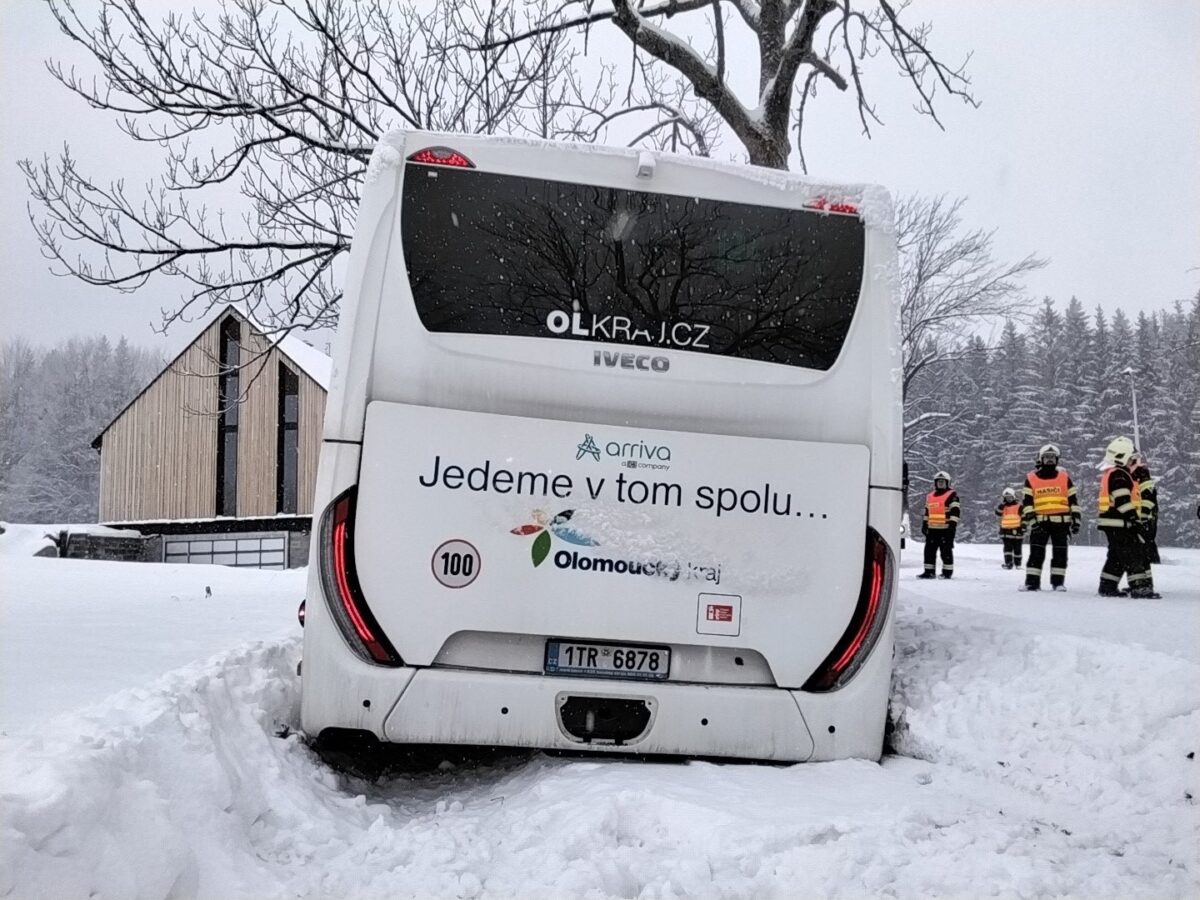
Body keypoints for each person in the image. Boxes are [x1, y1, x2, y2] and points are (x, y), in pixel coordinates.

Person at [1097, 436, 1160, 598]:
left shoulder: (1113, 473)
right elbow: (1122, 500)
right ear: (1122, 457)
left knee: (1116, 557)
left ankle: (1107, 586)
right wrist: (1134, 519)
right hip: (1121, 523)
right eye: (1131, 458)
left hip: (1113, 523)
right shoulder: (1120, 475)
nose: (1133, 462)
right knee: (1133, 554)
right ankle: (1139, 588)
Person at [1020, 443, 1081, 592]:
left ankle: (1058, 583)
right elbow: (1027, 503)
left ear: (1057, 459)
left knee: (1060, 554)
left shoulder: (1064, 477)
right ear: (1040, 459)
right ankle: (1032, 583)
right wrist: (1032, 521)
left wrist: (1076, 520)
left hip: (1061, 523)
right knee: (1036, 554)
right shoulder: (1031, 478)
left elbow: (1073, 501)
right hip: (1039, 523)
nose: (1049, 460)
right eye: (1046, 457)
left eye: (1052, 457)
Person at [919, 470, 960, 579]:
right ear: (935, 483)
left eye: (943, 482)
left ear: (948, 483)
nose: (940, 484)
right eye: (939, 482)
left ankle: (947, 573)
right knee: (929, 552)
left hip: (946, 530)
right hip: (932, 530)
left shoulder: (952, 495)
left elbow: (955, 512)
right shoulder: (930, 496)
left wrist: (952, 527)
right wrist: (924, 524)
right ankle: (929, 572)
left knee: (945, 552)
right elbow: (927, 512)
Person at [1128, 454, 1160, 565]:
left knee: (1147, 539)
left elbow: (1149, 496)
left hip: (1146, 514)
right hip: (1135, 515)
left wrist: (1144, 515)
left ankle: (1152, 562)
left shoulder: (1141, 473)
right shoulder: (1126, 474)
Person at [995, 487, 1024, 569]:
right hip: (1006, 531)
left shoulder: (1019, 507)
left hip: (1017, 531)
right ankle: (1008, 563)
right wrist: (1001, 505)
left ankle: (1018, 564)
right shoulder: (1003, 507)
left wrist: (1024, 526)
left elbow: (1024, 517)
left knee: (1017, 548)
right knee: (1007, 549)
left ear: (1014, 497)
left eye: (1010, 497)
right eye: (1007, 498)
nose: (1009, 499)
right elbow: (997, 513)